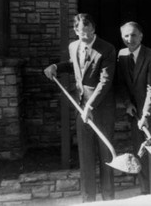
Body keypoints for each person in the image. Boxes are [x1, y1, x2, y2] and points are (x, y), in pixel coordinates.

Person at [44, 13, 116, 202]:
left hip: (101, 108)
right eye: (79, 31)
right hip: (81, 106)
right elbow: (74, 65)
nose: (83, 34)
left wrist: (91, 105)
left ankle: (109, 198)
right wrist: (55, 67)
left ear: (93, 28)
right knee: (85, 154)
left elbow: (105, 81)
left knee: (105, 153)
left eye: (87, 30)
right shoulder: (73, 46)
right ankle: (88, 198)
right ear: (75, 31)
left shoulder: (107, 49)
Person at [117, 21, 151, 194]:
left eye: (134, 35)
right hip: (135, 112)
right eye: (126, 36)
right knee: (140, 150)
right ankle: (145, 190)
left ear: (141, 36)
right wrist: (128, 104)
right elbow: (121, 84)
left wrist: (146, 113)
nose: (130, 39)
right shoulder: (121, 55)